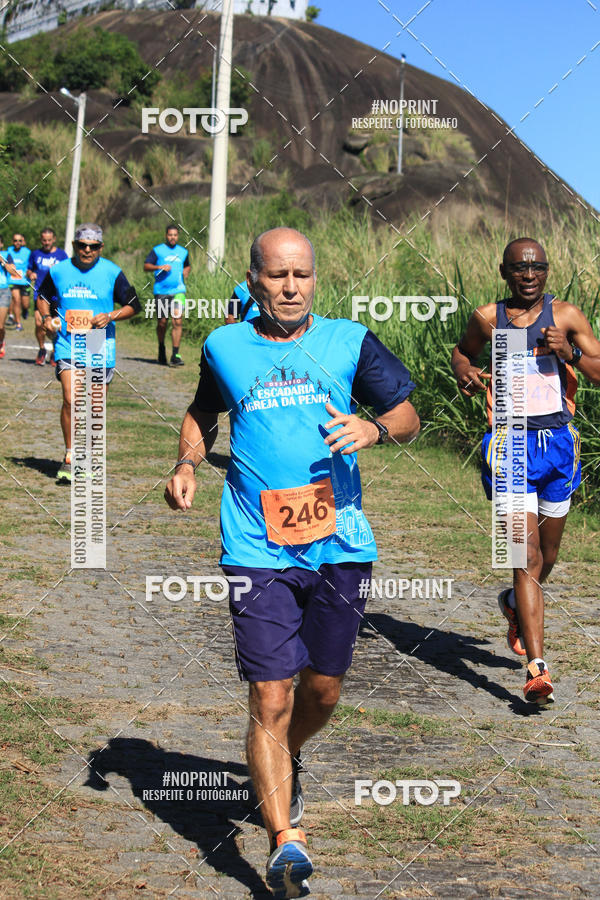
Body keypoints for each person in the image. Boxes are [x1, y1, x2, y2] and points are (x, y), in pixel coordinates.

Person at [164, 227, 420, 899]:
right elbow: (202, 410)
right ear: (252, 281)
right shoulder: (225, 346)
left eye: (301, 275)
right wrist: (187, 461)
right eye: (277, 275)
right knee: (270, 694)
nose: (290, 287)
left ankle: (285, 758)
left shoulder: (350, 341)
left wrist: (374, 429)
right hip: (256, 545)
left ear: (316, 279)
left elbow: (407, 414)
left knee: (323, 691)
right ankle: (285, 839)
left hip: (341, 542)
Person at [451, 237, 600, 706]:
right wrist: (466, 372)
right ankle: (536, 668)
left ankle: (514, 605)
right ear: (504, 272)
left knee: (548, 556)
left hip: (558, 447)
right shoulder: (489, 319)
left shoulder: (568, 317)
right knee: (525, 556)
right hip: (510, 444)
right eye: (519, 268)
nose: (529, 275)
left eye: (537, 268)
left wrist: (570, 354)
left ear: (547, 271)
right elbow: (461, 352)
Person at [37, 223, 140, 482]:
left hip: (97, 341)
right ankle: (70, 456)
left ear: (100, 248)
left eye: (93, 247)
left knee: (94, 405)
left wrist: (111, 315)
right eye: (82, 245)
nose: (87, 250)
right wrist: (46, 318)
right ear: (74, 246)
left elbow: (133, 305)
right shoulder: (58, 271)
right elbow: (42, 297)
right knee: (71, 398)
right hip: (68, 341)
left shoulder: (112, 272)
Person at [144, 225, 190, 366]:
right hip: (161, 292)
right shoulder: (158, 250)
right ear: (166, 235)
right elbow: (146, 266)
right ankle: (161, 347)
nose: (172, 237)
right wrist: (159, 267)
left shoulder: (183, 251)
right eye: (170, 235)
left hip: (178, 291)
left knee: (177, 320)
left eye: (175, 235)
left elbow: (187, 265)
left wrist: (186, 271)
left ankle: (175, 355)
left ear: (178, 236)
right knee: (162, 322)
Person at [27, 227, 68, 365]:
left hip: (56, 296)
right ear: (41, 240)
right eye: (44, 240)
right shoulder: (35, 254)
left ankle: (55, 351)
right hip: (40, 293)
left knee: (55, 325)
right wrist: (30, 274)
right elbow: (29, 269)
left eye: (49, 240)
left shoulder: (62, 255)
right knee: (39, 323)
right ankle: (42, 349)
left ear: (54, 239)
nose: (47, 243)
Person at [0, 236, 21, 359]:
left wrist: (2, 260)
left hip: (3, 291)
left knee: (0, 326)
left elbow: (14, 272)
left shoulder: (6, 255)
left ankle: (1, 341)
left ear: (1, 244)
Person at [6, 233, 31, 330]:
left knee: (25, 304)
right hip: (12, 280)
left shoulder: (27, 252)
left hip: (24, 281)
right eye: (15, 241)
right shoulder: (9, 251)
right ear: (13, 242)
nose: (17, 243)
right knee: (16, 300)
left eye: (19, 241)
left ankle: (25, 310)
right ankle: (18, 324)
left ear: (23, 241)